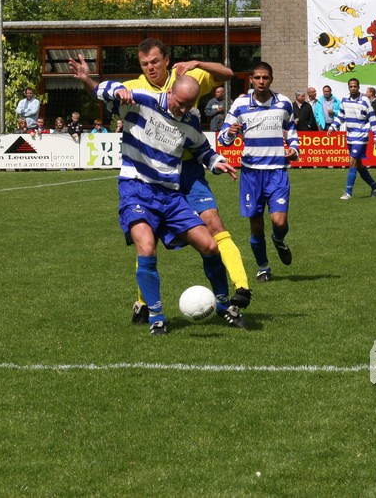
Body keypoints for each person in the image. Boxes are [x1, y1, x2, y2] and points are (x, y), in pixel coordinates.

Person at [70, 40, 252, 322]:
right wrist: (102, 85)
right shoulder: (138, 91)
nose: (150, 68)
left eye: (154, 61)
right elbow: (104, 91)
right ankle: (147, 306)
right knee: (147, 238)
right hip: (145, 179)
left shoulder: (188, 78)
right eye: (145, 64)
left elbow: (227, 75)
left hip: (185, 171)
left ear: (167, 60)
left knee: (212, 229)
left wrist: (197, 63)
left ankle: (234, 293)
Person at [219, 62, 300, 283]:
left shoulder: (283, 103)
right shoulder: (240, 104)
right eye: (257, 77)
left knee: (279, 222)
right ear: (251, 79)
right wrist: (230, 133)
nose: (261, 81)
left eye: (265, 77)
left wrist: (294, 149)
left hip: (277, 171)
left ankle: (279, 239)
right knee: (256, 226)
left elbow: (291, 130)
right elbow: (223, 139)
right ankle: (263, 267)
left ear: (271, 79)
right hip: (251, 174)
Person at [330, 78, 376, 200]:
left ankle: (348, 192)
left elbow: (372, 117)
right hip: (350, 136)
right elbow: (341, 115)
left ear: (358, 87)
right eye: (351, 86)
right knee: (359, 165)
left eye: (355, 86)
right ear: (348, 87)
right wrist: (333, 127)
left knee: (352, 161)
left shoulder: (365, 100)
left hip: (361, 136)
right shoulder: (345, 99)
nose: (353, 88)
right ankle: (375, 187)